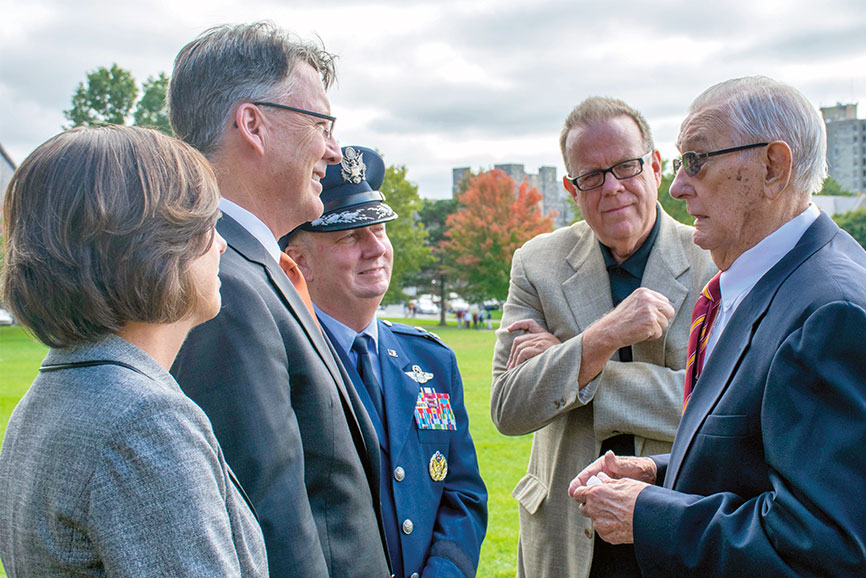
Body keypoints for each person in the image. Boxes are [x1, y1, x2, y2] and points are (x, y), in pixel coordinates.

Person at [569, 76, 866, 578]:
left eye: (697, 160)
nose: (676, 185)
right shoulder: (776, 282)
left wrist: (646, 513)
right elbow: (764, 460)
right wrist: (658, 473)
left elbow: (824, 547)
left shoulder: (830, 313)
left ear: (773, 167)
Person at [166, 23, 389, 577]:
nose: (334, 152)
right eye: (321, 124)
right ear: (253, 124)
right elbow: (272, 523)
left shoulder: (252, 269)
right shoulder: (222, 288)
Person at [0, 125, 267, 576]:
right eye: (206, 225)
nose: (220, 244)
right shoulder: (144, 422)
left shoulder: (59, 390)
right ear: (154, 246)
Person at [490, 97, 716, 578]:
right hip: (566, 535)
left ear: (655, 167)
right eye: (591, 176)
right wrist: (602, 337)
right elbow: (509, 408)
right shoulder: (536, 263)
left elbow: (713, 404)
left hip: (672, 521)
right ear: (573, 188)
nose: (611, 187)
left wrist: (579, 369)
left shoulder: (713, 261)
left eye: (626, 167)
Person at [282, 146, 488, 578]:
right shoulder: (285, 363)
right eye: (351, 237)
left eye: (379, 230)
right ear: (300, 261)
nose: (376, 248)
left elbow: (463, 493)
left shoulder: (431, 360)